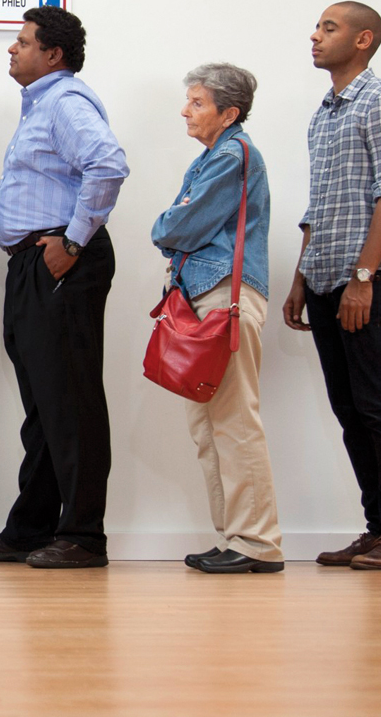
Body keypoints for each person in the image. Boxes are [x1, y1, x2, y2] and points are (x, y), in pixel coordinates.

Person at [0, 6, 128, 570]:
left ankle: (84, 535)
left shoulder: (64, 101)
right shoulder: (41, 104)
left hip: (61, 259)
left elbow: (107, 164)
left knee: (71, 401)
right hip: (34, 263)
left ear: (53, 54)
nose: (11, 50)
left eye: (22, 42)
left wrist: (74, 242)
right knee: (42, 405)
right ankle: (32, 528)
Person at [281, 2, 381, 571]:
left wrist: (364, 278)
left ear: (363, 40)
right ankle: (379, 527)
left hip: (366, 279)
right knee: (349, 407)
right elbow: (319, 207)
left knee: (379, 402)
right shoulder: (324, 113)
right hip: (325, 276)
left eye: (329, 27)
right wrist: (300, 278)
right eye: (316, 25)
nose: (314, 35)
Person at [150, 63, 282, 574]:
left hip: (225, 295)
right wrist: (173, 221)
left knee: (233, 420)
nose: (186, 110)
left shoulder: (234, 154)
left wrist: (166, 221)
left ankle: (258, 544)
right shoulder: (213, 157)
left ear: (230, 112)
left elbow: (179, 223)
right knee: (208, 425)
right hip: (206, 294)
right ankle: (234, 537)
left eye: (198, 103)